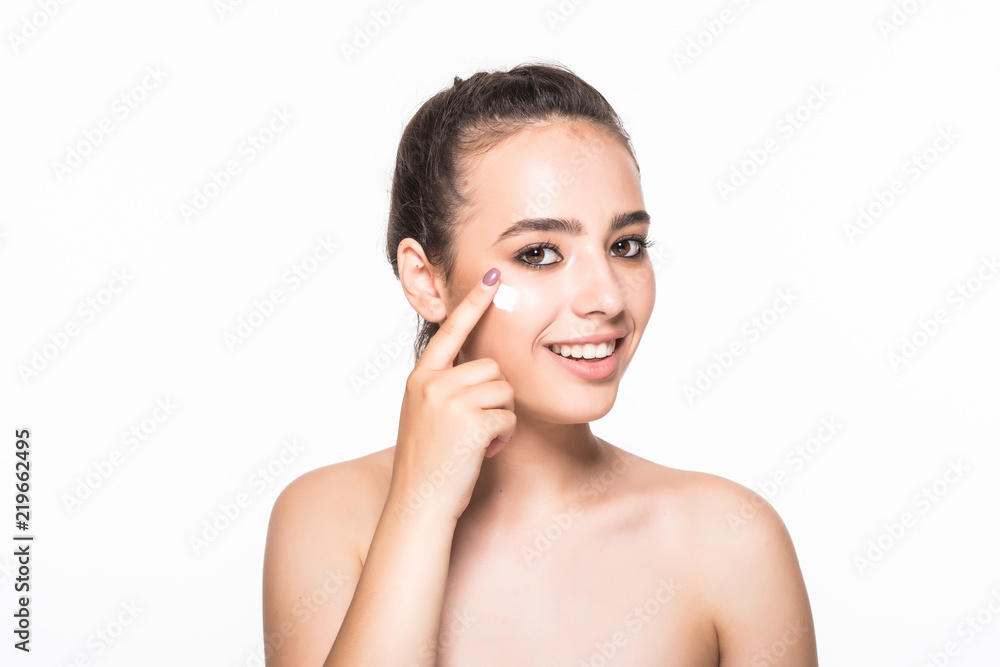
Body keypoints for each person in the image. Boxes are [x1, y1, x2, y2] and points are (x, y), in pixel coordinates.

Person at [262, 62, 818, 666]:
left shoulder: (731, 540)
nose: (606, 297)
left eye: (625, 246)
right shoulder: (328, 518)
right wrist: (419, 506)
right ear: (426, 279)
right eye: (539, 253)